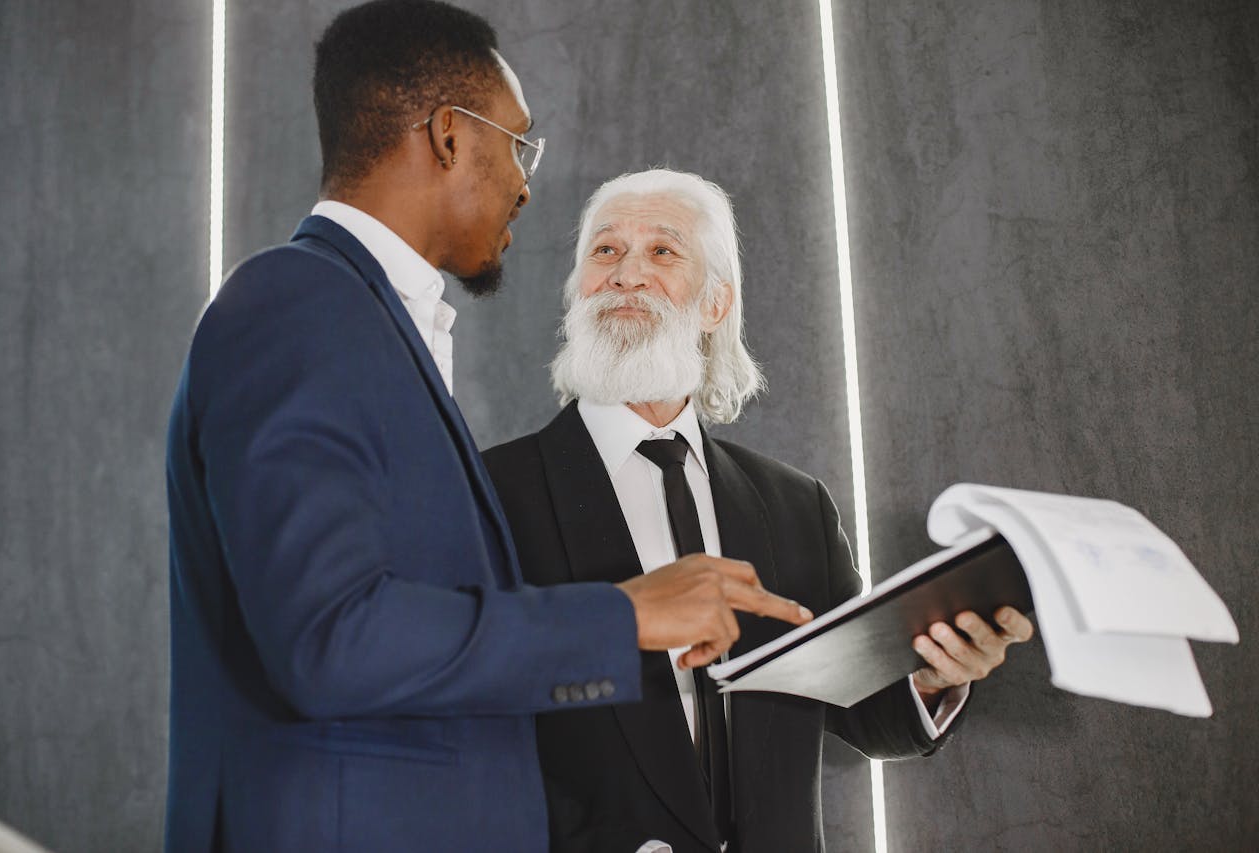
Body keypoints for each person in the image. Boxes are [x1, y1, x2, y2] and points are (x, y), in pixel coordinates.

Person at [163, 6, 810, 852]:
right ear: (447, 137)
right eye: (518, 143)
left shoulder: (365, 321)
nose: (527, 183)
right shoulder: (297, 305)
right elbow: (329, 638)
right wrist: (621, 617)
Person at [482, 169, 1034, 853]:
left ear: (715, 303)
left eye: (662, 251)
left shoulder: (794, 504)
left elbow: (862, 713)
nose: (626, 274)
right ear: (576, 292)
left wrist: (932, 673)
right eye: (605, 251)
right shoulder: (488, 492)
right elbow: (463, 711)